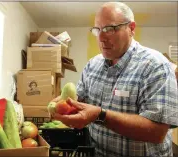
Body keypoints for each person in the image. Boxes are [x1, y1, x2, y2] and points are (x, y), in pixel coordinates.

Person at [51, 2, 178, 157]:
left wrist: (100, 115)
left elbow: (157, 132)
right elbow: (80, 99)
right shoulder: (92, 65)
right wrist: (66, 103)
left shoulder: (156, 66)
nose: (102, 38)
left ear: (131, 28)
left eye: (110, 29)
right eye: (97, 30)